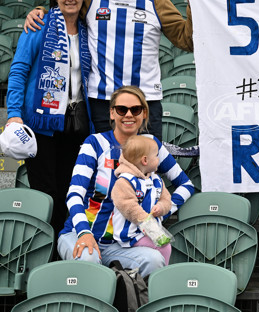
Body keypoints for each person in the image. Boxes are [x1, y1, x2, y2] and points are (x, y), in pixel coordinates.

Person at [24, 0, 204, 140]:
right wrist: (39, 11)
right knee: (104, 167)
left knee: (145, 166)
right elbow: (66, 8)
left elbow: (186, 41)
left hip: (144, 102)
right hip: (102, 102)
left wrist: (194, 5)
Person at [57, 85, 194, 277]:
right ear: (112, 113)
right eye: (122, 109)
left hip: (125, 244)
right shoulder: (94, 143)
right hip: (80, 233)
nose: (128, 115)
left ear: (144, 113)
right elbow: (74, 195)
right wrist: (83, 232)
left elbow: (186, 185)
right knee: (89, 259)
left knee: (154, 260)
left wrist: (162, 210)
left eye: (135, 109)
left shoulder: (152, 145)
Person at [6, 0, 93, 237]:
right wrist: (13, 114)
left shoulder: (89, 31)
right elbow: (19, 70)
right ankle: (45, 253)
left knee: (72, 191)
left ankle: (67, 247)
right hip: (42, 125)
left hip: (76, 125)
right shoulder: (39, 25)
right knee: (46, 192)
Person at [112, 135, 172, 265]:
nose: (158, 159)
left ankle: (159, 275)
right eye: (156, 156)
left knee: (165, 246)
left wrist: (161, 207)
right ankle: (161, 277)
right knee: (164, 247)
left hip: (148, 232)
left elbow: (167, 199)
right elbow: (129, 207)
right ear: (145, 160)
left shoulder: (156, 180)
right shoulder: (124, 182)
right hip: (131, 235)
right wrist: (148, 224)